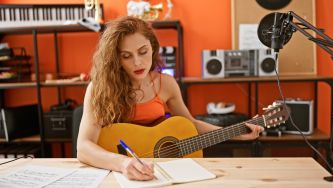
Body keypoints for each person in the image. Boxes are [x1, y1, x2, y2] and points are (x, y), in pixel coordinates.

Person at [77, 16, 264, 181]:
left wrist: (234, 133)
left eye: (143, 51)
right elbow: (84, 147)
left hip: (156, 173)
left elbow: (190, 124)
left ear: (153, 47)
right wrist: (123, 163)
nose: (137, 62)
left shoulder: (166, 84)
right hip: (113, 173)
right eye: (126, 56)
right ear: (115, 60)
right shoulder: (100, 88)